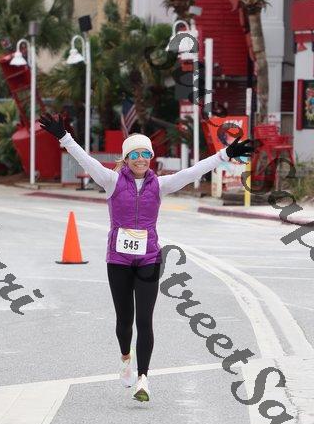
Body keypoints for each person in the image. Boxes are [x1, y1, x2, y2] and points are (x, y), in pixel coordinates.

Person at [39, 112, 253, 402]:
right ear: (127, 158)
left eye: (145, 154)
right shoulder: (111, 181)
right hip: (118, 261)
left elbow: (194, 171)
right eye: (135, 154)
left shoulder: (160, 184)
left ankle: (143, 379)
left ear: (151, 157)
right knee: (124, 320)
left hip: (150, 260)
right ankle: (125, 358)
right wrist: (64, 137)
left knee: (145, 321)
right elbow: (85, 160)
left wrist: (225, 154)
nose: (141, 159)